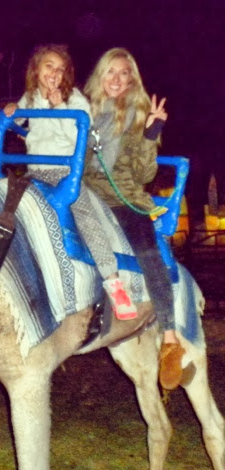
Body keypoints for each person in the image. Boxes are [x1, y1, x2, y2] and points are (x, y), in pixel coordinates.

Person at [3, 44, 137, 321]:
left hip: (65, 171)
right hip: (34, 171)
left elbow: (79, 137)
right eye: (49, 66)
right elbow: (20, 118)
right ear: (36, 69)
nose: (55, 73)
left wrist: (59, 106)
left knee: (85, 215)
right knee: (7, 205)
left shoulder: (74, 98)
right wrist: (13, 110)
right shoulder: (31, 96)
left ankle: (112, 281)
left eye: (60, 69)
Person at [83, 47, 184, 390]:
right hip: (84, 191)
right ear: (100, 75)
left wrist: (151, 133)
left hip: (123, 195)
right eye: (110, 71)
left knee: (148, 252)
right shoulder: (84, 110)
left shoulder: (138, 115)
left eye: (124, 73)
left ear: (131, 80)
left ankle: (169, 338)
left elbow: (144, 174)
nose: (116, 79)